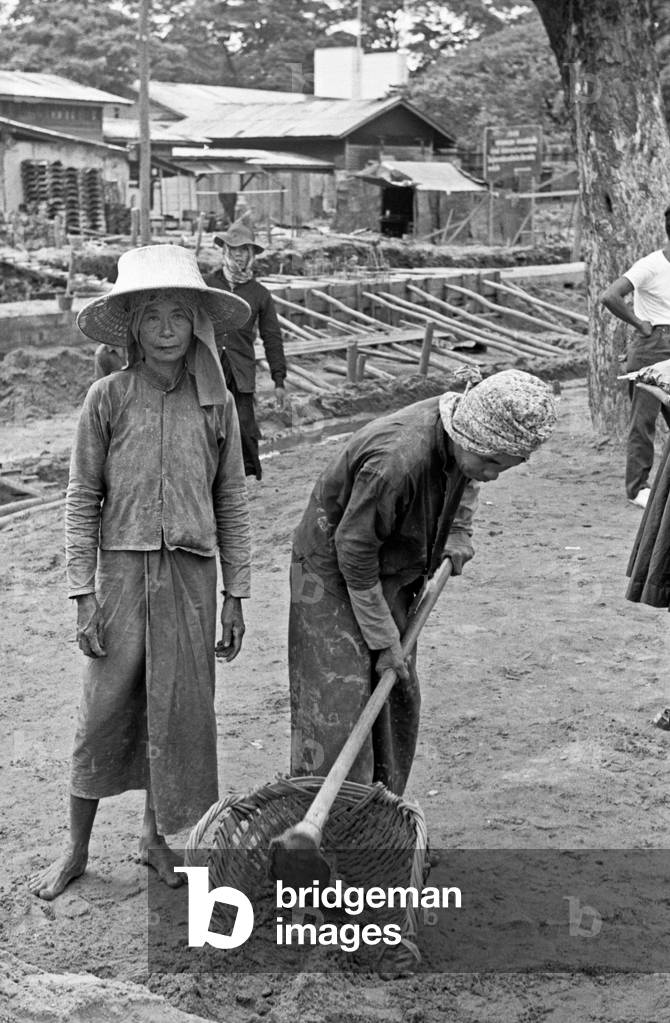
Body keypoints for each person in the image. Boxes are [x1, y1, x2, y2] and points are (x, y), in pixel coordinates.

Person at [29, 244, 253, 901]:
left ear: (196, 324)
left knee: (178, 710)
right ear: (131, 326)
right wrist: (82, 592)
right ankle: (75, 849)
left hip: (192, 575)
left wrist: (236, 592)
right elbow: (81, 496)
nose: (165, 329)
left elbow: (231, 499)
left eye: (178, 315)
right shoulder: (107, 397)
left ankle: (156, 840)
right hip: (122, 575)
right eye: (151, 315)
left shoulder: (217, 404)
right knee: (103, 710)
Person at [288, 369, 558, 795]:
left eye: (505, 466)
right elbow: (354, 552)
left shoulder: (465, 435)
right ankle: (330, 815)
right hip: (333, 574)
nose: (492, 475)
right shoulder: (394, 464)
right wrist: (383, 638)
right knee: (339, 702)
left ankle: (381, 806)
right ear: (467, 437)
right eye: (491, 463)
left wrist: (457, 531)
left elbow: (467, 479)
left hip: (394, 566)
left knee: (395, 689)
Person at [204, 222, 287, 481]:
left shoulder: (259, 294)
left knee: (243, 428)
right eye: (234, 249)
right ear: (225, 251)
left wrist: (279, 380)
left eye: (244, 250)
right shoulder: (207, 285)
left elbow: (272, 337)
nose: (239, 255)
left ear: (251, 255)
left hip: (240, 369)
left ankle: (240, 481)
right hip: (208, 367)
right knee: (206, 426)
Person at [600, 207, 670, 508]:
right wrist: (640, 324)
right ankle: (638, 487)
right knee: (644, 420)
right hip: (652, 347)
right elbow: (610, 296)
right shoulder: (650, 265)